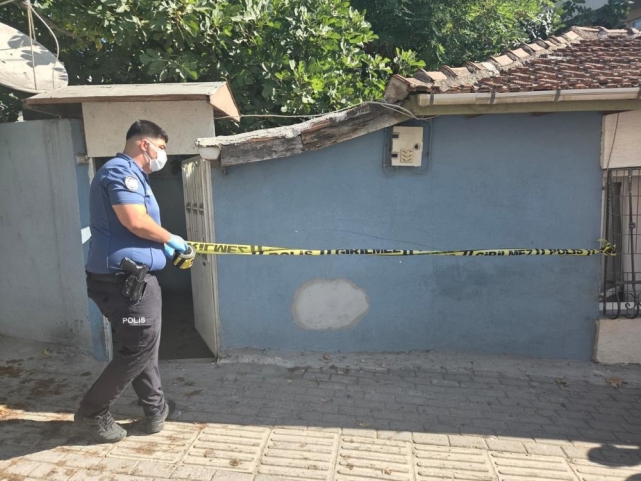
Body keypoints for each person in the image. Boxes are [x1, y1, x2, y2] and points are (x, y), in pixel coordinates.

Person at [75, 120, 192, 443]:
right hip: (123, 282)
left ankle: (155, 409)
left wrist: (161, 247)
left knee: (143, 347)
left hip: (134, 280)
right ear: (144, 144)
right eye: (161, 147)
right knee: (138, 348)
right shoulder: (120, 172)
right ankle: (91, 413)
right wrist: (171, 238)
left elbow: (134, 227)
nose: (163, 154)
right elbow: (135, 221)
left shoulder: (137, 176)